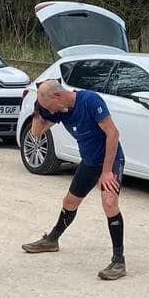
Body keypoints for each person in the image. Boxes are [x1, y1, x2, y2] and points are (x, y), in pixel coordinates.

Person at [21, 79, 127, 280]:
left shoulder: (89, 100)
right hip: (89, 162)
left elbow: (113, 134)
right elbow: (36, 133)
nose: (50, 111)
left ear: (58, 96)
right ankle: (52, 240)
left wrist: (106, 172)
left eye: (49, 106)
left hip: (110, 160)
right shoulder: (61, 110)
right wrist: (38, 110)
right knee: (69, 202)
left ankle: (118, 261)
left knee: (109, 203)